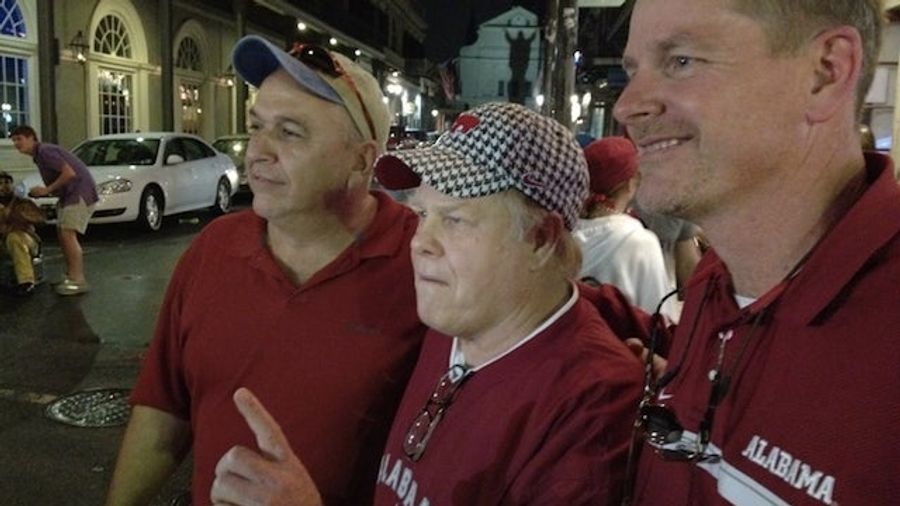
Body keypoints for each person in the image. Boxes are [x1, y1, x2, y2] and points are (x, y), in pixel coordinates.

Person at [210, 102, 647, 505]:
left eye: (454, 219)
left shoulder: (592, 409)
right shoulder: (457, 320)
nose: (420, 243)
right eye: (422, 214)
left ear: (540, 239)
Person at [105, 35, 427, 506]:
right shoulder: (214, 248)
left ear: (361, 159)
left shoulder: (425, 264)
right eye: (257, 126)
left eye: (290, 132)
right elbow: (163, 412)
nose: (257, 151)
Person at [615, 0, 900, 504]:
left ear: (825, 73)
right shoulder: (715, 280)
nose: (626, 106)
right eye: (633, 71)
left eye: (681, 61)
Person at [574, 136, 674, 319]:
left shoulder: (561, 233)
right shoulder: (638, 241)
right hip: (620, 346)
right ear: (631, 184)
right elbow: (659, 319)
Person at [11, 125, 97, 296]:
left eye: (19, 139)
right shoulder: (40, 155)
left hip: (78, 193)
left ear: (31, 138)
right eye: (14, 140)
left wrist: (46, 189)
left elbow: (69, 173)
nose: (16, 143)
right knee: (62, 233)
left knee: (67, 234)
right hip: (69, 195)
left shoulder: (45, 151)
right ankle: (71, 275)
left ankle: (78, 279)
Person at [0, 170, 44, 296]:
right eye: (0, 183)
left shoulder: (22, 202)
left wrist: (19, 216)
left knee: (14, 238)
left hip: (25, 240)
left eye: (7, 182)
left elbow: (41, 219)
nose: (4, 186)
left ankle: (26, 281)